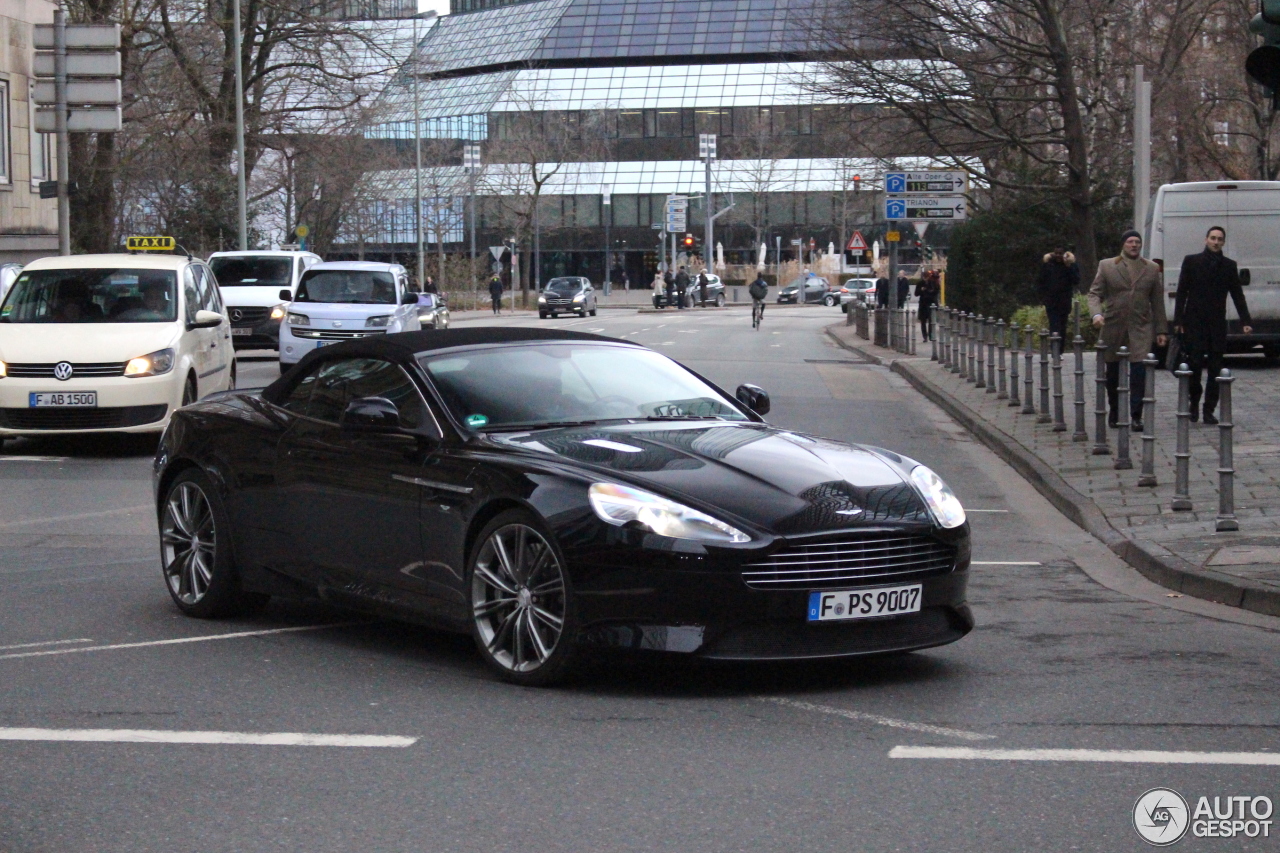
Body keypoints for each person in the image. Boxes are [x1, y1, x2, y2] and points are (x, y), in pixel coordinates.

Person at [1088, 229, 1168, 432]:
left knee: (1139, 372)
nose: (1134, 245)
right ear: (1123, 244)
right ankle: (1115, 410)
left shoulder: (1151, 268)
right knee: (1112, 374)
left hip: (1141, 326)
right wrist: (1096, 314)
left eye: (1137, 242)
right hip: (1113, 325)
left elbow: (1157, 301)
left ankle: (1136, 415)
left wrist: (1161, 330)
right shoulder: (1107, 266)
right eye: (1130, 242)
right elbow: (1094, 294)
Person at [1173, 225, 1253, 424]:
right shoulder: (1191, 262)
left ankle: (1209, 409)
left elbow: (1237, 294)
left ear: (1223, 242)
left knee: (1216, 368)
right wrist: (1178, 320)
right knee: (1195, 365)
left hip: (1217, 323)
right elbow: (1182, 291)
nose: (1216, 242)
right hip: (1194, 322)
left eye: (1220, 239)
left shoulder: (1228, 265)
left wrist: (1245, 320)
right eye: (1213, 238)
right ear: (1206, 240)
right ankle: (1194, 403)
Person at [1038, 247, 1080, 350]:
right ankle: (1054, 349)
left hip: (1064, 301)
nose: (1058, 256)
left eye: (1060, 253)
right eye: (1056, 253)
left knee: (1062, 325)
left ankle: (1060, 349)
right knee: (1054, 325)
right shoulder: (1048, 265)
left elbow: (1076, 280)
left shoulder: (1070, 266)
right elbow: (1041, 281)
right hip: (1051, 301)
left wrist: (1069, 266)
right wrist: (1044, 297)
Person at [916, 270, 939, 341]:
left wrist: (932, 291)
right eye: (925, 277)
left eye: (927, 277)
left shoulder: (932, 283)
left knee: (931, 320)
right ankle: (924, 336)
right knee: (923, 321)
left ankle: (930, 335)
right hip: (923, 303)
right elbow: (916, 293)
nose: (926, 279)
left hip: (930, 303)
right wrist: (921, 290)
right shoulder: (920, 283)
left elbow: (936, 290)